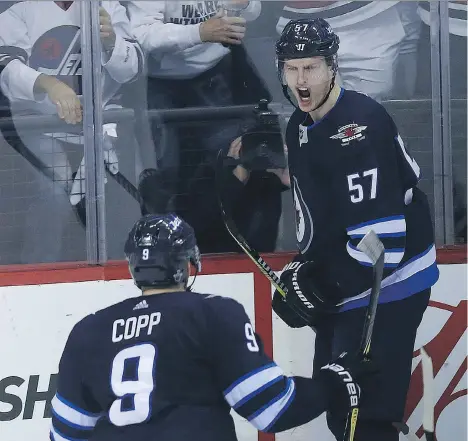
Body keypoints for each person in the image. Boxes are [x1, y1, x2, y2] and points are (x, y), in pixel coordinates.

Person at [50, 213, 373, 441]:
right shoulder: (212, 313)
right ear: (190, 262)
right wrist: (336, 379)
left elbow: (66, 433)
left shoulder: (88, 330)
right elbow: (273, 409)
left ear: (134, 266)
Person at [272, 18, 440, 441]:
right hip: (351, 280)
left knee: (364, 415)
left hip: (389, 284)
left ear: (332, 66)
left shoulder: (359, 127)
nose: (300, 80)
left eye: (310, 68)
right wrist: (303, 272)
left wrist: (323, 285)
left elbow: (382, 242)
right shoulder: (300, 125)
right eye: (292, 69)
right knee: (339, 405)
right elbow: (324, 218)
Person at [0, 1, 143, 262]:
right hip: (40, 126)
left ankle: (123, 271)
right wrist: (49, 84)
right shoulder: (20, 9)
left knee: (124, 195)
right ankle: (41, 270)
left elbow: (131, 70)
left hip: (99, 126)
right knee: (55, 192)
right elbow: (6, 68)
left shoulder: (106, 6)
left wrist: (111, 41)